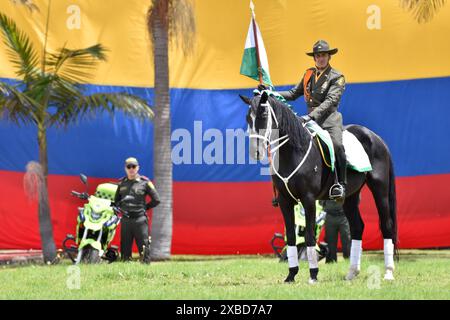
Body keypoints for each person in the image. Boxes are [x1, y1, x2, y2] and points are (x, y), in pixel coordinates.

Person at [260, 40, 347, 200]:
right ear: (314, 58)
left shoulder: (337, 77)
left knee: (337, 145)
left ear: (329, 57)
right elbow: (293, 93)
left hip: (329, 121)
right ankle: (283, 188)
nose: (321, 58)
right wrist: (271, 92)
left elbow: (329, 102)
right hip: (310, 121)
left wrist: (311, 116)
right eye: (318, 56)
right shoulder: (308, 74)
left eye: (324, 55)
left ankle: (339, 184)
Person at [114, 157, 160, 263]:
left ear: (138, 168)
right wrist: (120, 208)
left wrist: (145, 208)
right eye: (128, 167)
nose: (131, 169)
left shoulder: (145, 182)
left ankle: (145, 270)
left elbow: (157, 200)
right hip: (126, 220)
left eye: (133, 166)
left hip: (140, 220)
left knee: (144, 247)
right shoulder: (121, 183)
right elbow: (116, 201)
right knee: (125, 249)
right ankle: (125, 273)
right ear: (125, 168)